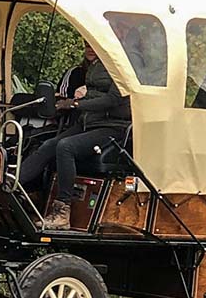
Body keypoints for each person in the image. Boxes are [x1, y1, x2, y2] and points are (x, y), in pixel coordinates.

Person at [18, 48, 131, 229]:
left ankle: (62, 212)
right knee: (48, 145)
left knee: (66, 147)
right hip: (89, 121)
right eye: (86, 44)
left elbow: (113, 100)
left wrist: (76, 104)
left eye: (92, 44)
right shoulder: (95, 65)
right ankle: (13, 185)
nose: (89, 47)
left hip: (112, 125)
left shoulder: (122, 65)